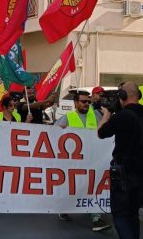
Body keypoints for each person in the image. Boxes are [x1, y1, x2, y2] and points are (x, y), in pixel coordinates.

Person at [98, 82, 143, 239]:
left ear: (122, 96)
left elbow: (100, 133)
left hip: (123, 174)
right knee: (133, 213)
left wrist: (107, 115)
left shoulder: (122, 117)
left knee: (121, 214)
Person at [55, 90, 110, 232]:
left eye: (88, 102)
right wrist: (59, 130)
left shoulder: (97, 115)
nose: (86, 104)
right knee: (73, 186)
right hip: (74, 162)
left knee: (93, 186)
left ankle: (96, 218)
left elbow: (105, 131)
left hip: (93, 159)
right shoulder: (68, 117)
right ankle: (65, 207)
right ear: (75, 103)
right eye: (83, 101)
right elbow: (52, 133)